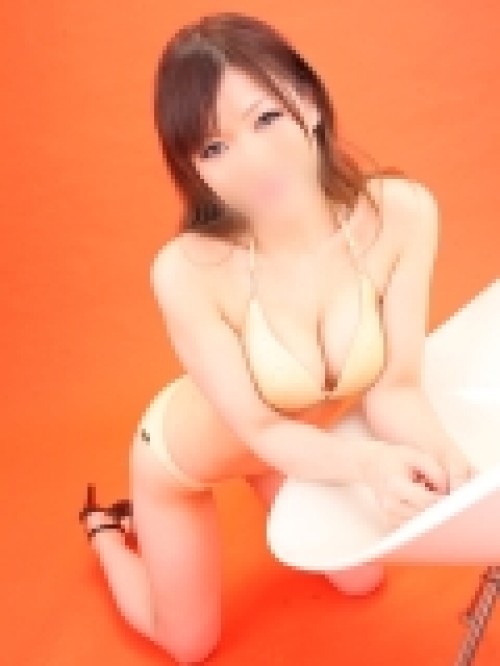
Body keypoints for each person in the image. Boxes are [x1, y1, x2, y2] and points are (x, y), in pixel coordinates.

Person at [78, 11, 476, 664]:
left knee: (363, 580)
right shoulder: (188, 270)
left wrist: (464, 479)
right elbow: (260, 428)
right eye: (214, 148)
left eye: (265, 119)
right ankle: (103, 530)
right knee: (188, 646)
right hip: (188, 460)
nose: (254, 161)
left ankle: (266, 487)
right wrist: (369, 464)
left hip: (288, 448)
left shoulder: (402, 215)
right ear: (195, 170)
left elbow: (396, 387)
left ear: (308, 101)